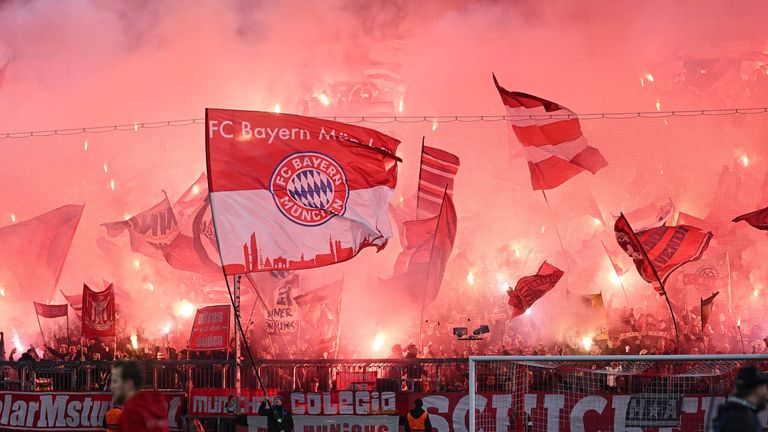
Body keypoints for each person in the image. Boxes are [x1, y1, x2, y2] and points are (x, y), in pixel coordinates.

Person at [110, 360, 169, 432]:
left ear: (129, 383)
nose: (112, 386)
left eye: (115, 381)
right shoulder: (156, 406)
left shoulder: (131, 414)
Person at [713, 365, 768, 432]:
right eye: (765, 388)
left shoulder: (735, 412)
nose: (766, 394)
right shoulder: (741, 420)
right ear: (757, 389)